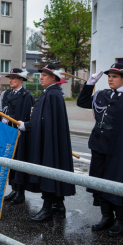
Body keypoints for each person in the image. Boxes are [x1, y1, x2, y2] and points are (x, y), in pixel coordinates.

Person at [17, 64, 76, 222]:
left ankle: (48, 208)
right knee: (53, 168)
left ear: (54, 78)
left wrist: (27, 125)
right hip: (49, 139)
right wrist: (28, 124)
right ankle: (58, 205)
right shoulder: (51, 93)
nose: (41, 77)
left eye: (44, 75)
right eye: (41, 74)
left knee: (49, 170)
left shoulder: (52, 94)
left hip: (48, 141)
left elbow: (42, 121)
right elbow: (41, 119)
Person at [77, 63, 123, 237]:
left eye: (115, 77)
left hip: (118, 149)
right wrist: (89, 84)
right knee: (100, 182)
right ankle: (106, 216)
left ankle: (120, 219)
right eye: (109, 76)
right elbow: (82, 102)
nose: (110, 79)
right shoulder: (102, 95)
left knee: (116, 183)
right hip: (99, 145)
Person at [1, 68, 35, 205]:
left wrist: (13, 119)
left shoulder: (26, 95)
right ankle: (14, 189)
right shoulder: (9, 94)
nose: (10, 80)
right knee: (11, 162)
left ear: (21, 80)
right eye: (10, 78)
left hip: (20, 133)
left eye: (13, 78)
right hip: (10, 132)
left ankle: (20, 192)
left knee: (19, 161)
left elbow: (26, 115)